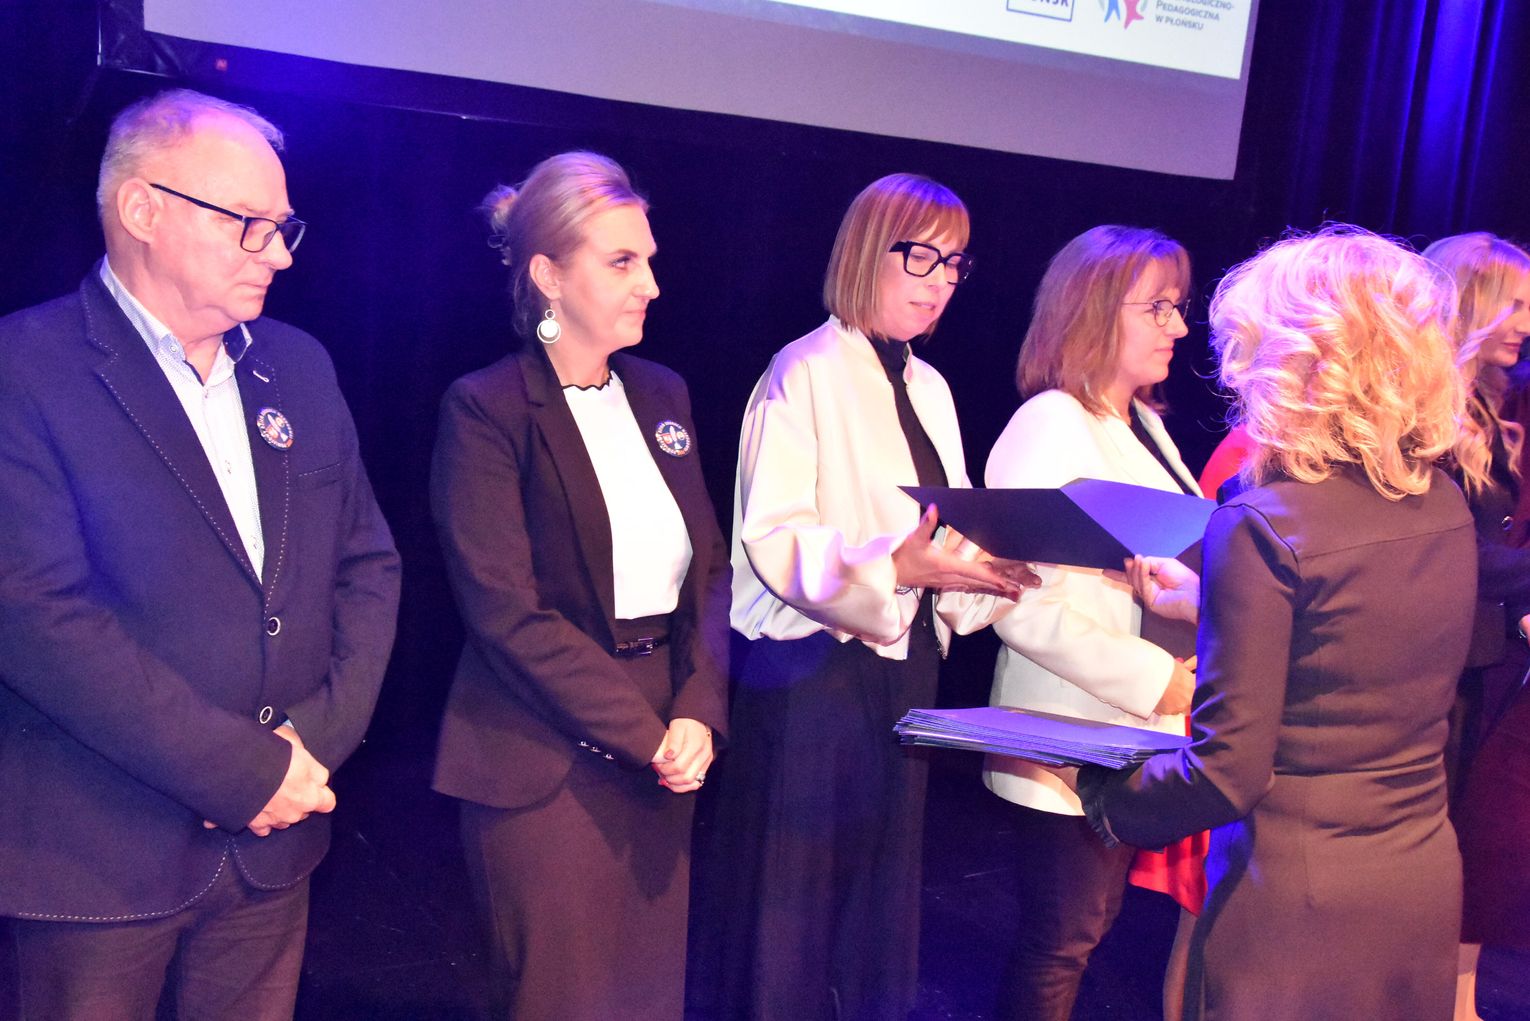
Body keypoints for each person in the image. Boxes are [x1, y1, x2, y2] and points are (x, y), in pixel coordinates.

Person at [0, 89, 402, 1019]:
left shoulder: (299, 366)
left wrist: (312, 745)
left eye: (284, 227)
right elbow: (38, 618)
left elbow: (368, 566)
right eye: (248, 224)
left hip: (276, 847)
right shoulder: (25, 369)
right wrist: (243, 771)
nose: (280, 253)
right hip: (99, 855)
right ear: (143, 210)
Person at [1079, 225, 1475, 1020]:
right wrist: (1217, 601)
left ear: (1296, 360)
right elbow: (1356, 652)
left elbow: (1227, 772)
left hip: (1296, 907)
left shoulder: (1265, 523)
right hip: (1420, 885)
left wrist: (1106, 793)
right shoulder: (1444, 504)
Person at [710, 172, 1033, 1021]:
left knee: (875, 905)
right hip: (814, 676)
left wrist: (998, 567)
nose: (940, 281)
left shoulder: (931, 387)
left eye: (955, 264)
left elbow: (944, 531)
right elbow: (774, 538)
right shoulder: (804, 370)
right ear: (865, 250)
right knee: (793, 911)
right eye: (922, 256)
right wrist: (896, 568)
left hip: (905, 671)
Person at [430, 152, 730, 1021]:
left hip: (666, 747)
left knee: (647, 1003)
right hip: (544, 759)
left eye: (649, 260)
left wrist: (698, 711)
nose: (652, 285)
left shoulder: (664, 395)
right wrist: (646, 733)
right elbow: (505, 611)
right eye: (623, 261)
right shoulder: (486, 408)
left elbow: (710, 573)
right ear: (548, 275)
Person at [980, 225, 1201, 1021]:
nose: (1179, 327)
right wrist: (1155, 678)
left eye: (1178, 307)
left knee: (1086, 929)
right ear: (1098, 310)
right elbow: (1018, 597)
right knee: (1062, 939)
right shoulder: (1051, 422)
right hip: (1070, 728)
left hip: (1129, 732)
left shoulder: (1140, 422)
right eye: (1159, 308)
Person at [1420, 232, 1530, 1021]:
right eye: (1514, 302)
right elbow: (1452, 547)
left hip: (1483, 662)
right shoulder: (1419, 412)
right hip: (1433, 665)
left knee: (1472, 845)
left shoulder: (1493, 409)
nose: (1527, 321)